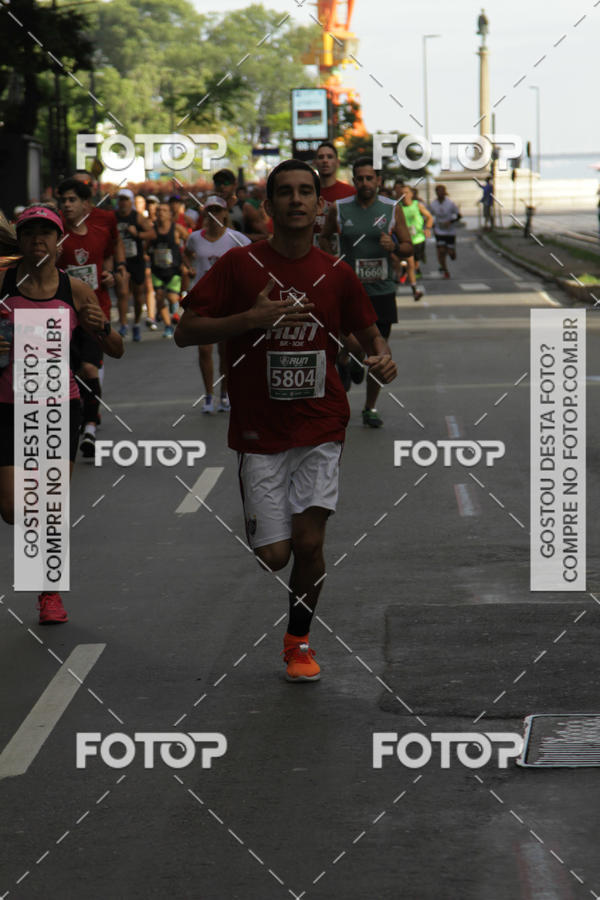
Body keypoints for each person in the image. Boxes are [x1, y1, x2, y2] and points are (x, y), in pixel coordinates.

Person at [175, 160, 397, 681]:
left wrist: (382, 357)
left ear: (320, 208)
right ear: (269, 206)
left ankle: (299, 642)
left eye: (306, 193)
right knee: (274, 556)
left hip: (320, 422)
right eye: (285, 193)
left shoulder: (337, 274)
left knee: (310, 542)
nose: (297, 200)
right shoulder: (238, 266)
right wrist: (249, 321)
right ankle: (267, 532)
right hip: (259, 431)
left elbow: (371, 337)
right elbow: (186, 331)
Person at [0, 205, 123, 624]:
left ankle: (48, 593)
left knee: (48, 504)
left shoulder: (74, 291)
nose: (38, 240)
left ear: (59, 242)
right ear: (19, 240)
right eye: (30, 233)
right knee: (13, 509)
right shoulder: (1, 285)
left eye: (46, 233)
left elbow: (115, 348)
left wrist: (102, 327)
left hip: (58, 407)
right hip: (7, 406)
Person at [320, 156, 412, 427]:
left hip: (382, 289)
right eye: (359, 178)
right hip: (349, 289)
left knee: (380, 351)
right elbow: (325, 236)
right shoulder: (340, 208)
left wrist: (394, 246)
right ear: (354, 181)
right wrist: (332, 258)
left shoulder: (392, 208)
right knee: (350, 341)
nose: (364, 183)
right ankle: (354, 359)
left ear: (378, 181)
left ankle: (370, 407)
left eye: (369, 178)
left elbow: (409, 246)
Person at [56, 178, 117, 457]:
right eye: (63, 200)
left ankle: (90, 429)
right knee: (69, 374)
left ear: (85, 204)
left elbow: (109, 256)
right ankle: (77, 417)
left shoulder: (100, 230)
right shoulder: (54, 236)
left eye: (72, 200)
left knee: (90, 369)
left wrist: (112, 273)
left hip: (93, 312)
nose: (66, 205)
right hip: (61, 316)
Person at [184, 195, 251, 412]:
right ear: (205, 214)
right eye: (209, 211)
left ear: (224, 214)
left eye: (217, 211)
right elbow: (186, 254)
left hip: (227, 301)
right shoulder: (195, 238)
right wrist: (190, 267)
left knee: (225, 351)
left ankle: (225, 392)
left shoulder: (236, 238)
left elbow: (252, 259)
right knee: (204, 350)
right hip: (203, 301)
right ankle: (208, 396)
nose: (213, 215)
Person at [114, 188, 155, 341]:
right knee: (122, 292)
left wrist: (137, 234)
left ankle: (136, 323)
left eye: (126, 200)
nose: (123, 203)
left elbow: (152, 234)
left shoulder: (136, 217)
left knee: (138, 296)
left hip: (135, 258)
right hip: (119, 260)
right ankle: (124, 324)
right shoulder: (113, 217)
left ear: (130, 202)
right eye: (121, 199)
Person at [148, 202, 188, 338]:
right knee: (159, 297)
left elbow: (189, 241)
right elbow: (146, 246)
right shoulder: (152, 230)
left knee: (171, 297)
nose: (160, 213)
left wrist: (185, 259)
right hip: (157, 270)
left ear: (170, 214)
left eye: (164, 210)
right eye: (158, 210)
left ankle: (175, 309)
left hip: (174, 270)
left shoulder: (176, 228)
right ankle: (168, 326)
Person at [400, 185, 433, 299]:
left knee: (415, 263)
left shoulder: (417, 205)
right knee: (410, 263)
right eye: (402, 193)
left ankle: (406, 270)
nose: (404, 195)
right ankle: (414, 289)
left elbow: (429, 217)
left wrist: (427, 228)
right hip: (405, 241)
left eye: (406, 192)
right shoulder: (398, 207)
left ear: (411, 194)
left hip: (418, 238)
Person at [429, 184, 461, 278]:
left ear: (445, 192)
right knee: (441, 251)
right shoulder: (433, 204)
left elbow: (459, 215)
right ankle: (445, 269)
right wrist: (432, 225)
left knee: (451, 254)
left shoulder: (450, 203)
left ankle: (451, 252)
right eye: (438, 191)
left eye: (442, 191)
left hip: (450, 232)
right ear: (436, 193)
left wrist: (450, 221)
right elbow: (429, 216)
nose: (441, 193)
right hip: (439, 231)